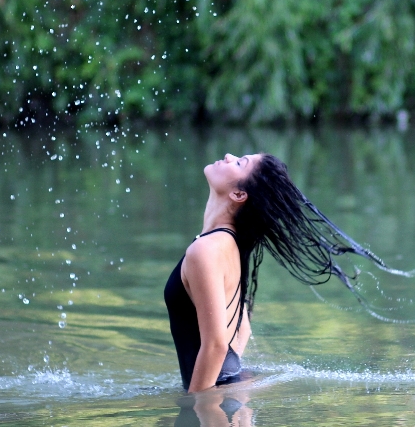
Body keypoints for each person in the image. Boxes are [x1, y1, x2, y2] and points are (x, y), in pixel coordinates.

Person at [164, 152, 383, 392]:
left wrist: (197, 406)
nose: (228, 156)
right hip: (229, 397)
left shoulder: (206, 250)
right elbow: (242, 329)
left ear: (239, 194)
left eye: (239, 162)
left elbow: (216, 345)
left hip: (218, 405)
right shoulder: (229, 247)